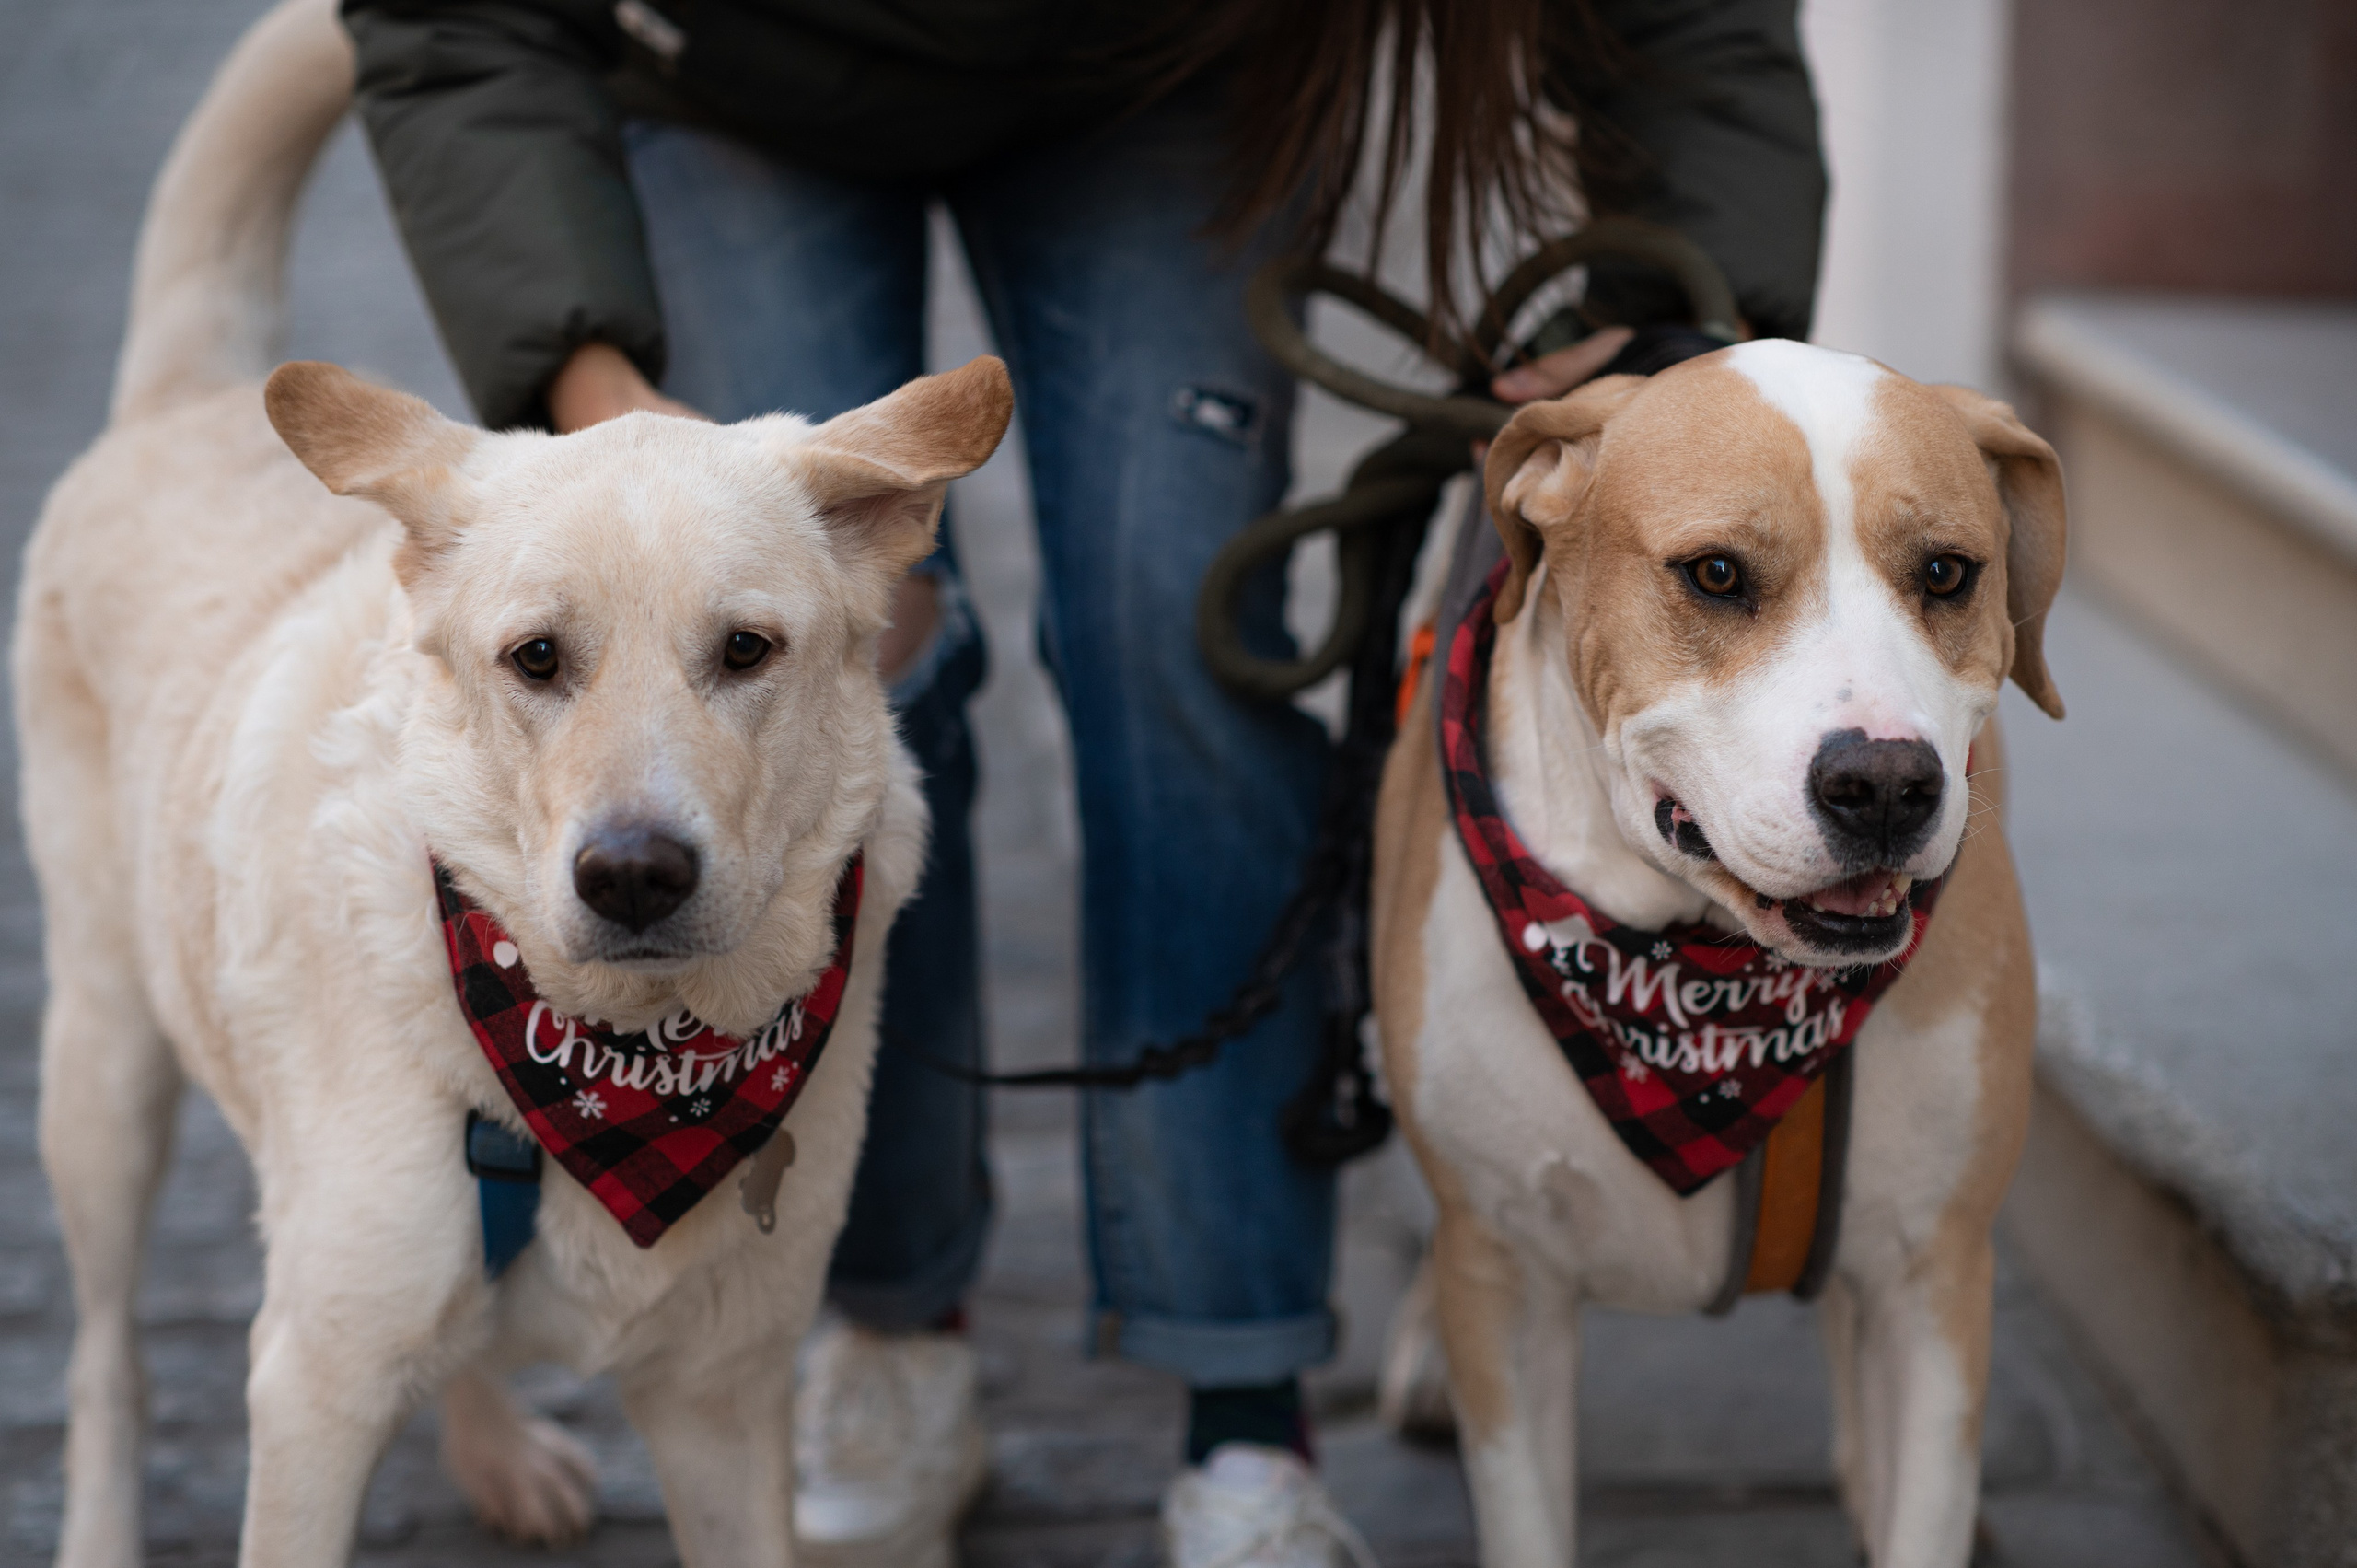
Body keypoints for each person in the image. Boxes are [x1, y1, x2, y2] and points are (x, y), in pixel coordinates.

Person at [340, 2, 1825, 1562]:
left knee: (1187, 653)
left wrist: (1672, 323)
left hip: (1165, 65)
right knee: (824, 683)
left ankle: (1246, 1402)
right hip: (737, 73)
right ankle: (893, 1326)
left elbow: (1694, 23)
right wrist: (601, 395)